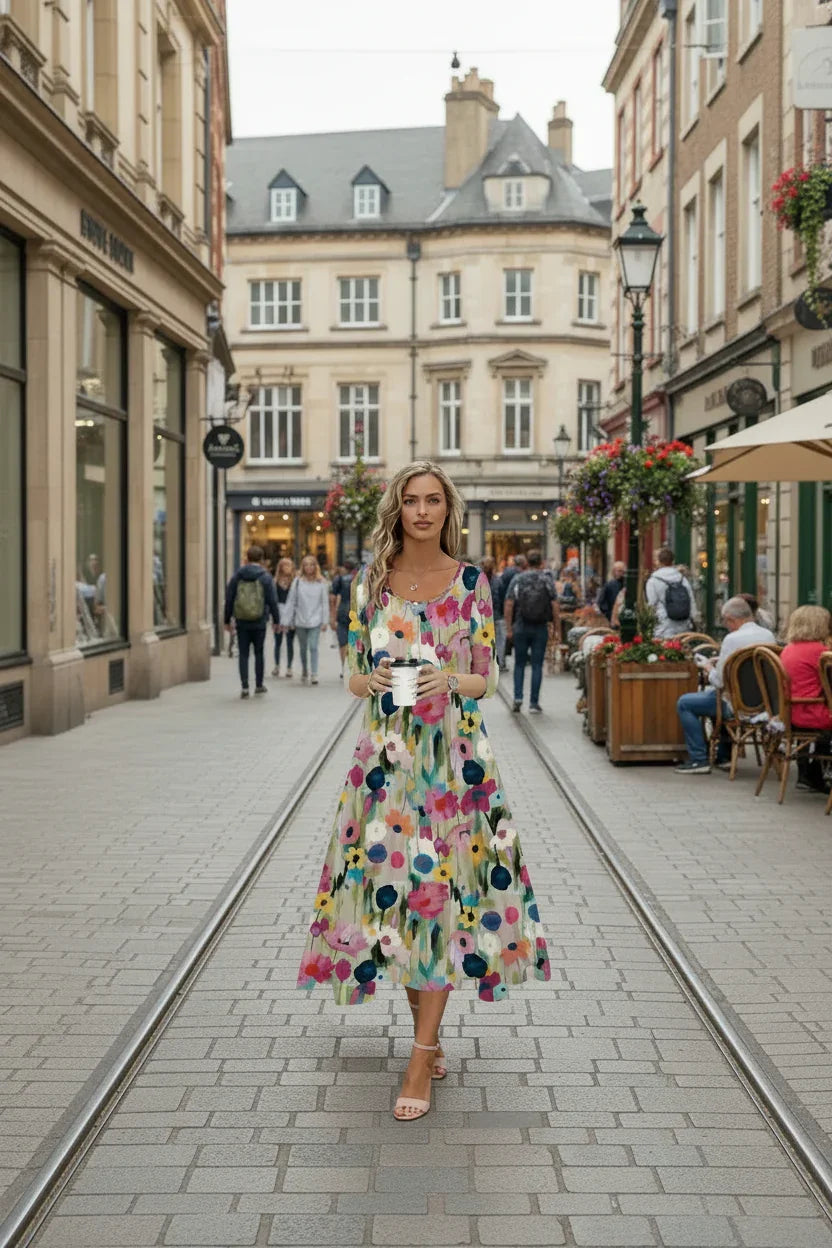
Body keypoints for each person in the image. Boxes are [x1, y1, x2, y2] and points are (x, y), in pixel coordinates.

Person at [296, 460, 550, 1122]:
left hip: (453, 765)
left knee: (442, 901)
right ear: (397, 509)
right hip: (384, 766)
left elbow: (486, 678)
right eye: (411, 500)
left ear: (448, 508)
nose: (423, 510)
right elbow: (351, 676)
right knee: (402, 906)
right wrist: (373, 681)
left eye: (434, 499)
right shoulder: (370, 584)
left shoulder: (472, 582)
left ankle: (420, 1054)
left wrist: (447, 679)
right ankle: (426, 1034)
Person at [674, 596, 776, 775]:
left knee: (685, 703)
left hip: (735, 705)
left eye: (726, 621)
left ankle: (699, 759)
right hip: (763, 704)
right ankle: (723, 756)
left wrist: (707, 666)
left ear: (731, 619)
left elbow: (719, 681)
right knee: (714, 699)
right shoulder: (768, 635)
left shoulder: (732, 639)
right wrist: (721, 661)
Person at [780, 605, 832, 793]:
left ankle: (809, 773)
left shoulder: (788, 649)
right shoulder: (820, 652)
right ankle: (815, 773)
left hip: (791, 713)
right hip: (812, 714)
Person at [504, 548, 559, 714]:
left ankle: (518, 698)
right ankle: (534, 703)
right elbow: (555, 605)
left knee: (519, 664)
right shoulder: (546, 579)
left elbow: (509, 603)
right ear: (541, 562)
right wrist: (557, 628)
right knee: (537, 665)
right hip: (540, 627)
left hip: (521, 625)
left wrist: (508, 628)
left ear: (526, 562)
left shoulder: (518, 578)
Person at [224, 545, 280, 699]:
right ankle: (259, 684)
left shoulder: (237, 575)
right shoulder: (265, 576)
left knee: (243, 653)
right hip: (259, 619)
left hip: (242, 620)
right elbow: (272, 600)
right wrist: (276, 620)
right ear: (262, 559)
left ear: (246, 558)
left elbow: (229, 598)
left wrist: (227, 619)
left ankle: (244, 686)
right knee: (259, 652)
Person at [283, 554, 330, 685]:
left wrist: (325, 621)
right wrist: (287, 621)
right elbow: (291, 601)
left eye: (311, 564)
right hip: (300, 620)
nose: (309, 567)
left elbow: (324, 602)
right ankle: (304, 669)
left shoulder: (321, 583)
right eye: (306, 565)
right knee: (303, 648)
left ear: (315, 567)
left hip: (315, 620)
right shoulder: (297, 582)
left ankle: (314, 674)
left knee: (313, 646)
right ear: (303, 567)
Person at [646, 547, 695, 638]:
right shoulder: (682, 579)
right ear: (673, 561)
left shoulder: (653, 580)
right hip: (683, 624)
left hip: (663, 625)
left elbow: (652, 604)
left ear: (659, 561)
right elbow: (691, 599)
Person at [494, 554, 526, 669]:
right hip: (513, 608)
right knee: (506, 635)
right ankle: (505, 659)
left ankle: (500, 660)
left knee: (501, 635)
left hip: (502, 608)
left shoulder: (505, 573)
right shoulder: (519, 575)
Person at [330, 557, 358, 677]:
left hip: (342, 612)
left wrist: (332, 616)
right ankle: (353, 666)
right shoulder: (359, 579)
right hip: (356, 612)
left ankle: (344, 667)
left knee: (342, 641)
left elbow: (332, 598)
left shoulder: (339, 579)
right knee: (355, 641)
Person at [272, 557, 296, 678]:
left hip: (291, 614)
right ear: (280, 567)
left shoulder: (295, 581)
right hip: (278, 613)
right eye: (284, 565)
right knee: (277, 641)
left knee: (290, 642)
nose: (286, 567)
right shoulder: (275, 581)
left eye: (289, 565)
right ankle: (276, 665)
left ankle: (289, 667)